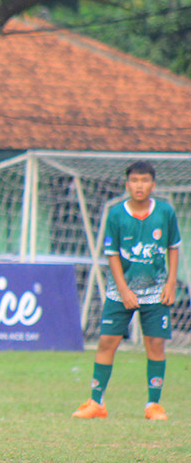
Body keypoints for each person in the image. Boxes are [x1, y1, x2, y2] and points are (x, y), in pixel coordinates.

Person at [73, 160, 181, 421]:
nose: (139, 185)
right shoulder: (116, 214)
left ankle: (153, 405)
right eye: (134, 181)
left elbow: (173, 246)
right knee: (107, 342)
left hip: (156, 291)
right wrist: (123, 290)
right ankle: (97, 402)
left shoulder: (165, 212)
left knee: (155, 343)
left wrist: (171, 283)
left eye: (144, 180)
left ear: (153, 185)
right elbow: (111, 254)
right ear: (127, 184)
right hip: (120, 292)